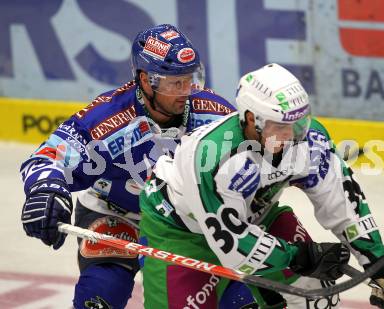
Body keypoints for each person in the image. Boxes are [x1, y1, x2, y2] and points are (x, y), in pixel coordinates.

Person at [139, 63, 384, 308]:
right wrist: (299, 256)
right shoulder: (213, 159)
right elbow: (234, 246)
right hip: (180, 230)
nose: (294, 136)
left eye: (299, 123)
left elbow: (343, 204)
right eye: (280, 126)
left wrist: (379, 262)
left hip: (256, 215)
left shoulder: (308, 140)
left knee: (317, 295)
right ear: (249, 119)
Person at [19, 24, 243, 309]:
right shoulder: (107, 119)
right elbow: (47, 158)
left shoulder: (214, 113)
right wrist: (45, 190)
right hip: (118, 217)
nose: (186, 90)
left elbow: (254, 163)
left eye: (189, 79)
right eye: (175, 83)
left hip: (188, 225)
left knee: (238, 300)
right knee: (99, 298)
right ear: (146, 81)